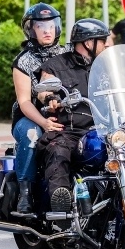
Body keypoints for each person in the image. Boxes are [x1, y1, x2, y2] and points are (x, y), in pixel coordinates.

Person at [37, 18, 112, 213]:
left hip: (106, 130)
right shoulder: (56, 65)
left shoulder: (106, 66)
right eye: (103, 41)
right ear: (89, 43)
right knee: (58, 150)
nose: (106, 45)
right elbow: (44, 87)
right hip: (71, 131)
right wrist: (50, 96)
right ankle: (61, 199)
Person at [11, 3, 68, 214]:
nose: (47, 30)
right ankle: (25, 193)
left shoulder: (66, 52)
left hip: (63, 115)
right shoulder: (24, 61)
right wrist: (44, 122)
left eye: (51, 25)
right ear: (31, 30)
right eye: (41, 26)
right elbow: (24, 101)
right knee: (31, 134)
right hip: (30, 117)